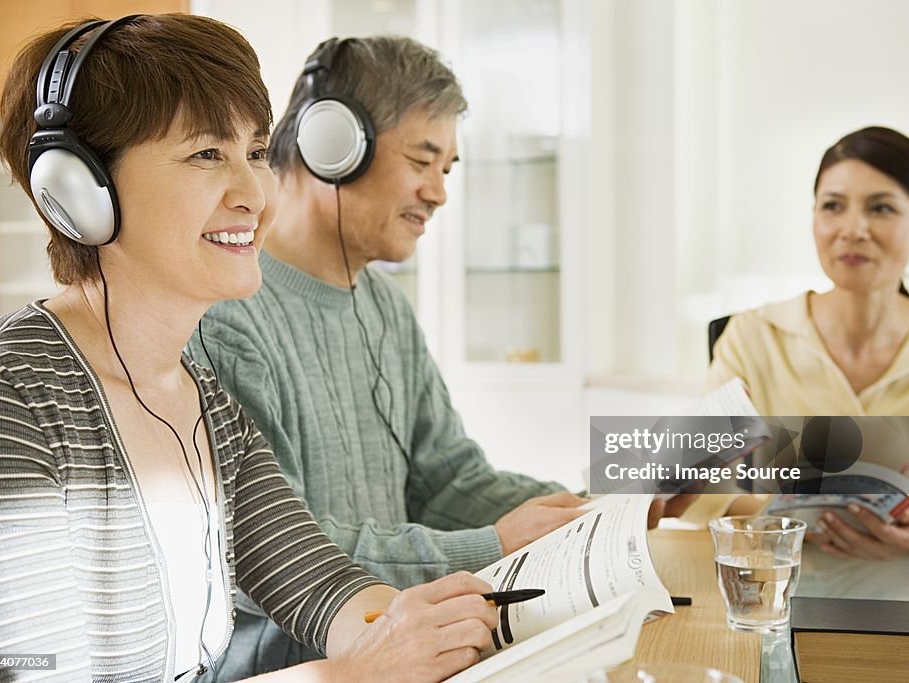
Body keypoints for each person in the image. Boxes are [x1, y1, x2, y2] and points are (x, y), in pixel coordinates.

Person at [0, 15, 498, 681]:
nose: (254, 194)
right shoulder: (7, 396)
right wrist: (349, 674)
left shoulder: (202, 399)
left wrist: (425, 624)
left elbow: (321, 587)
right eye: (206, 155)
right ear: (80, 189)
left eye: (254, 153)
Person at [188, 35, 691, 679]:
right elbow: (271, 558)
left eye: (447, 169)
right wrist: (492, 545)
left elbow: (448, 479)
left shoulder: (384, 306)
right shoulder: (227, 319)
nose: (438, 192)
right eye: (423, 159)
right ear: (333, 147)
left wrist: (594, 510)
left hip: (421, 655)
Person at [708, 125, 909, 560]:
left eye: (880, 208)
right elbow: (702, 488)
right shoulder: (753, 336)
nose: (853, 229)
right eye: (833, 206)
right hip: (781, 572)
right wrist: (797, 521)